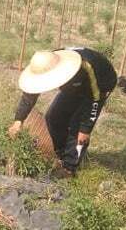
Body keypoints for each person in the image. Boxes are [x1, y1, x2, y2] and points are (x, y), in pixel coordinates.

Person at [7, 47, 119, 176]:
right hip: (74, 83)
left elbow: (95, 99)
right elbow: (29, 95)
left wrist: (86, 129)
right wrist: (18, 120)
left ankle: (69, 168)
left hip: (99, 84)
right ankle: (59, 154)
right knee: (53, 117)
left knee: (78, 129)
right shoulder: (46, 62)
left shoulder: (85, 66)